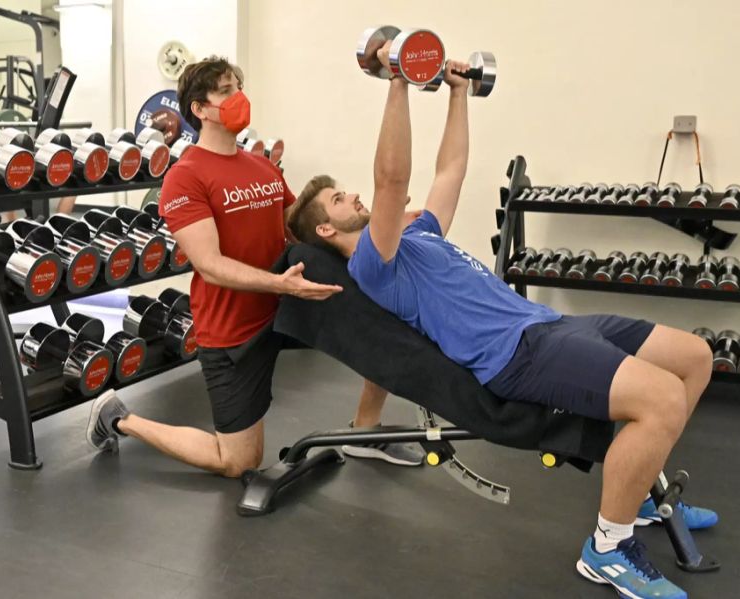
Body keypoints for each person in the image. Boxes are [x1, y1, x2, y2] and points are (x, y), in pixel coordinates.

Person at [287, 44, 717, 599]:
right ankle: (608, 548)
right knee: (660, 398)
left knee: (694, 359)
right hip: (516, 355)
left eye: (343, 188)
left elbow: (451, 169)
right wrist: (397, 82)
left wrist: (458, 94)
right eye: (336, 199)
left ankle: (634, 496)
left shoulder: (419, 235)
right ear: (327, 231)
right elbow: (392, 182)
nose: (349, 194)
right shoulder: (375, 262)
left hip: (553, 325)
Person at [86, 56, 423, 477]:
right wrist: (280, 285)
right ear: (199, 109)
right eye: (226, 91)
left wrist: (382, 223)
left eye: (238, 88)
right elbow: (209, 265)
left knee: (381, 312)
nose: (238, 98)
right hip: (233, 329)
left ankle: (368, 428)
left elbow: (306, 230)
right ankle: (119, 418)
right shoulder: (184, 177)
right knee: (239, 462)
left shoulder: (261, 165)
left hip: (284, 304)